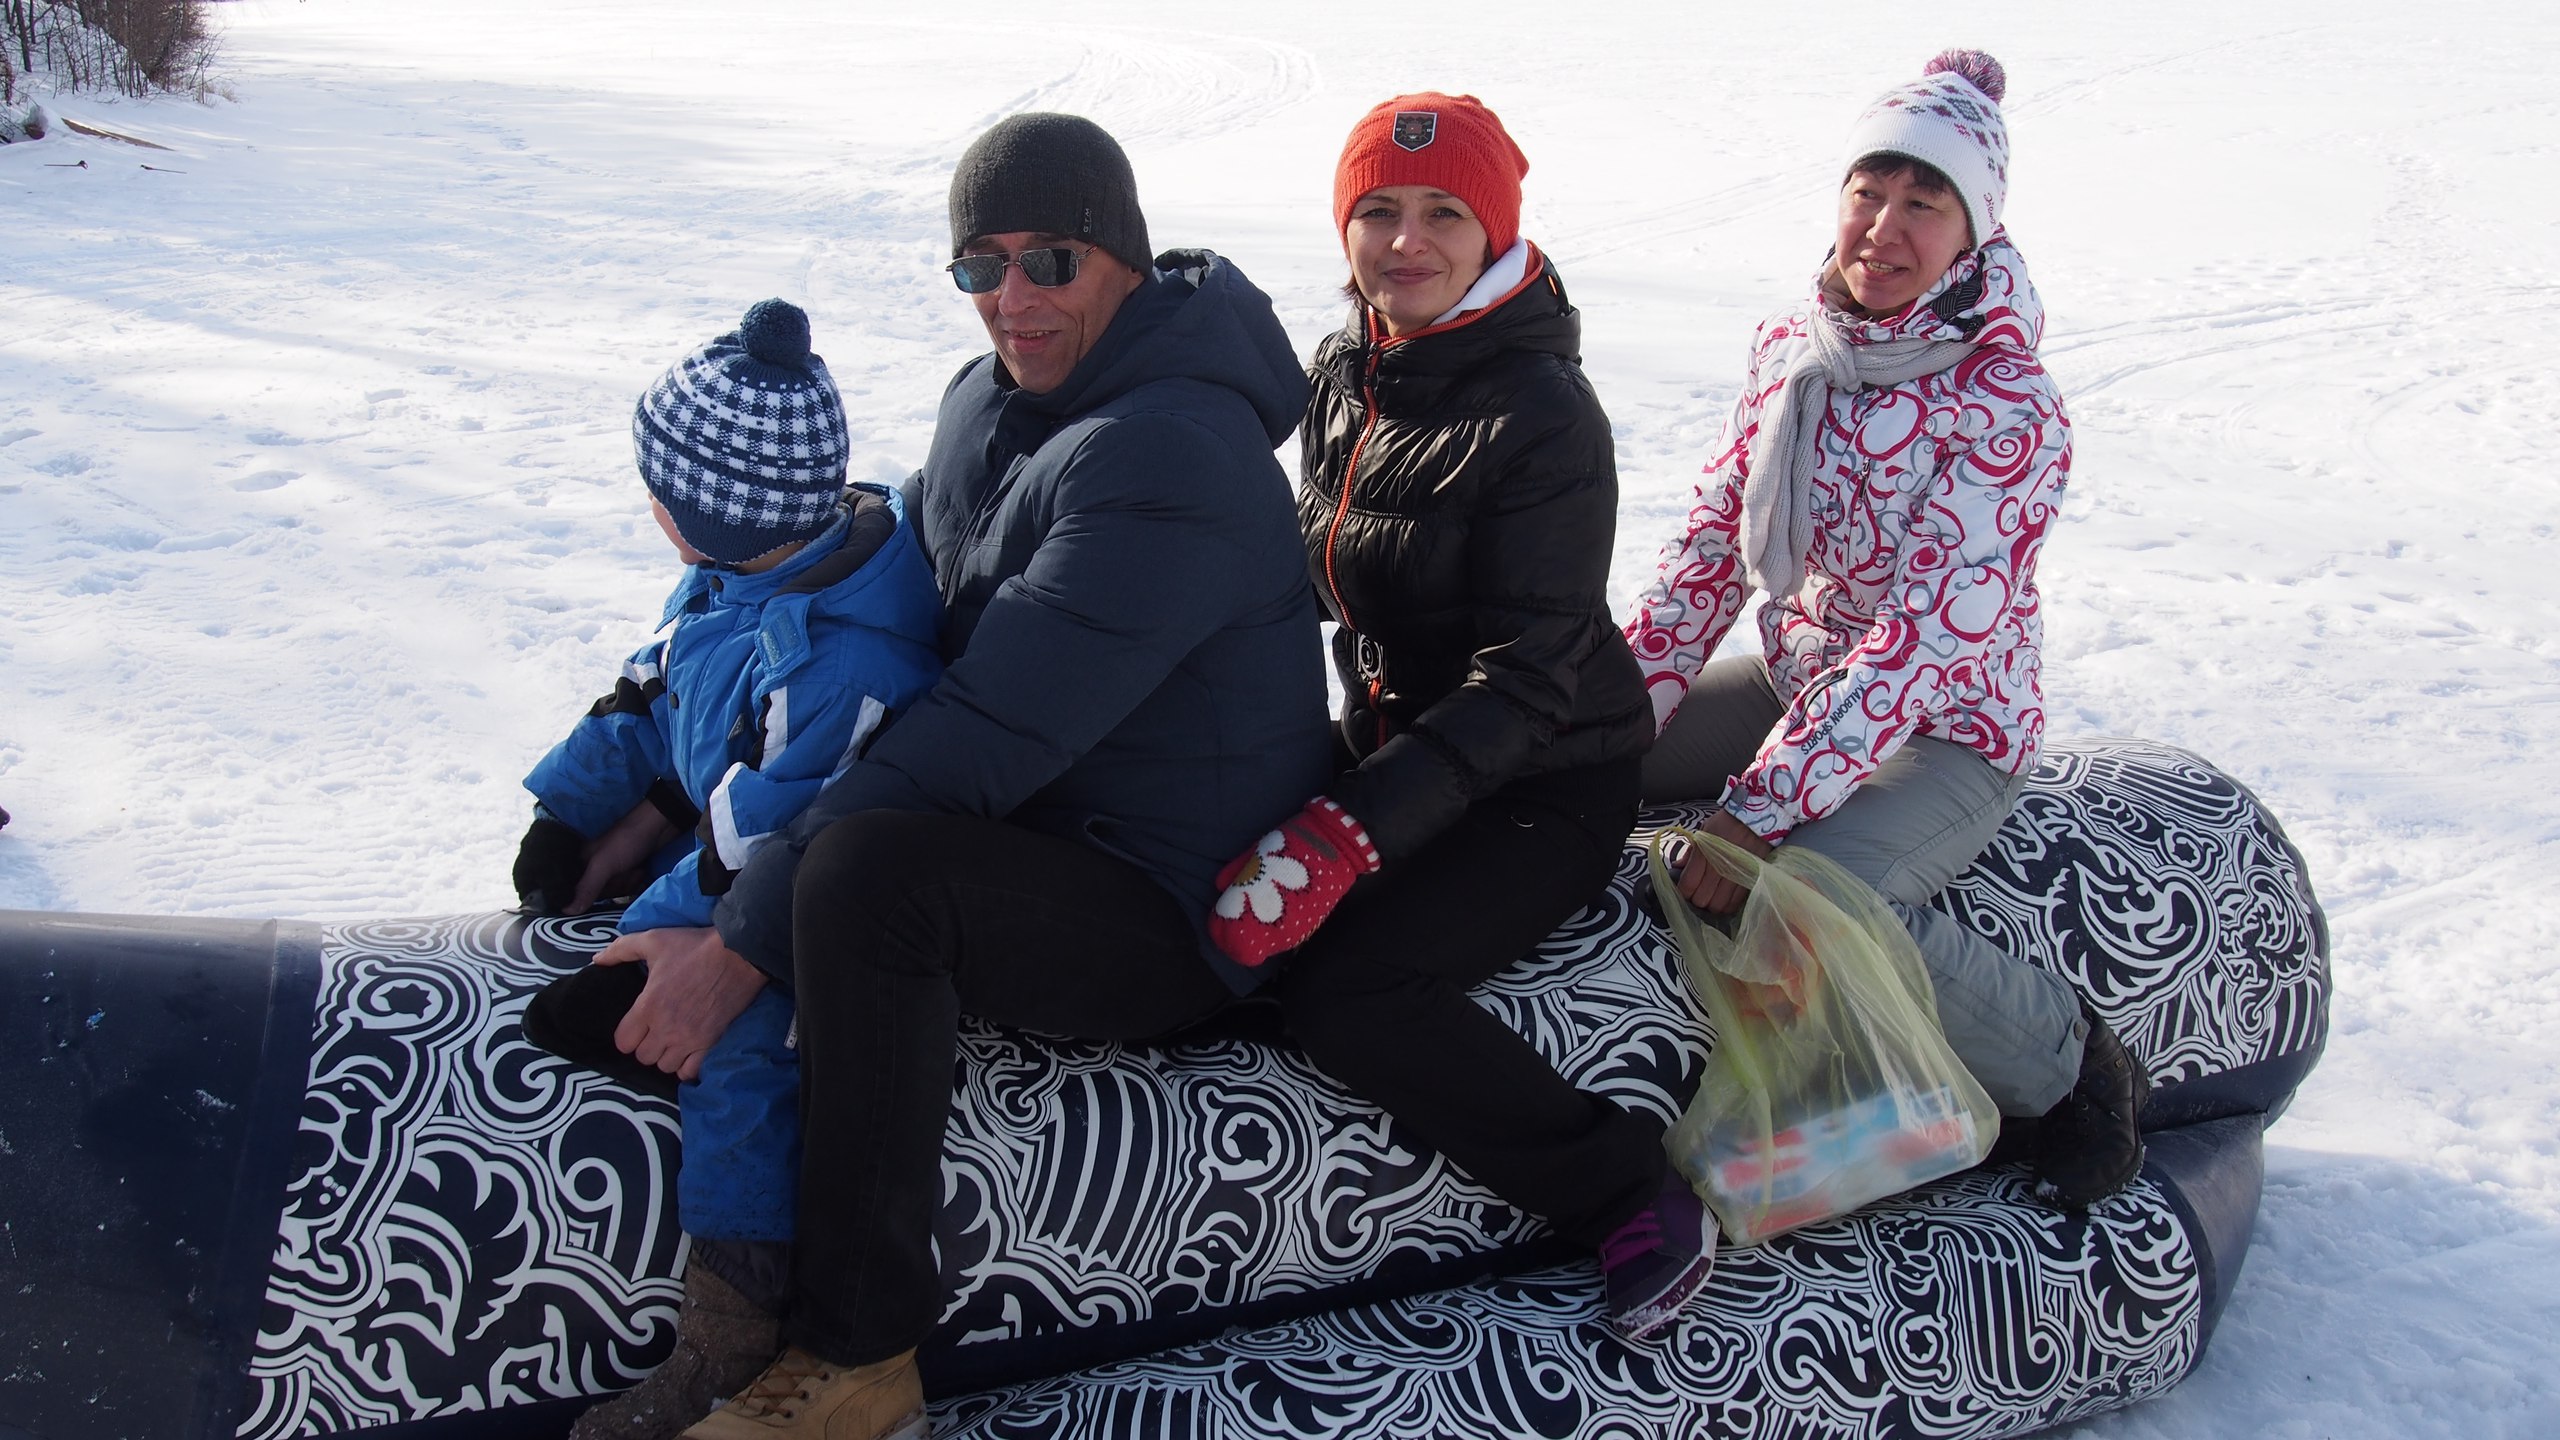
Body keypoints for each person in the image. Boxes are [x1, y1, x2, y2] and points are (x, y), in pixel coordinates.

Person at [600, 114, 1331, 1440]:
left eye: (1050, 259)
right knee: (841, 819)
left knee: (872, 884)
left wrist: (743, 939)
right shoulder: (991, 400)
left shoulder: (1173, 454)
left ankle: (858, 1353)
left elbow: (990, 730)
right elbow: (907, 610)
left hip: (1180, 900)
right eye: (979, 266)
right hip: (1052, 825)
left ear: (1123, 259)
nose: (1012, 298)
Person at [1196, 93, 1710, 1345]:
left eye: (1443, 213)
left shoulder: (1545, 413)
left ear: (1495, 233)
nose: (1405, 241)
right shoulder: (1347, 372)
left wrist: (1348, 834)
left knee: (1352, 990)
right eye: (1377, 210)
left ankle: (1625, 1190)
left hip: (1546, 776)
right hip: (1391, 744)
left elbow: (1527, 679)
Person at [1622, 50, 2149, 1212]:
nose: (1884, 226)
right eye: (1868, 190)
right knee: (1594, 762)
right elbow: (1709, 551)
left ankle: (2067, 1064)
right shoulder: (1796, 350)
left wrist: (1757, 814)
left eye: (1924, 201)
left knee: (1813, 891)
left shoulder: (2007, 405)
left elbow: (1920, 641)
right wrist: (1598, 715)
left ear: (1972, 232)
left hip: (1947, 726)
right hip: (1799, 682)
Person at [504, 300, 945, 1440]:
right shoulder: (736, 576)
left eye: (661, 494)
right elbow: (659, 692)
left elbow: (758, 839)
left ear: (704, 511)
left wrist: (640, 940)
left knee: (745, 1050)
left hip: (804, 897)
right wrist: (577, 812)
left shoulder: (845, 661)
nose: (652, 511)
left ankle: (731, 1322)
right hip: (734, 857)